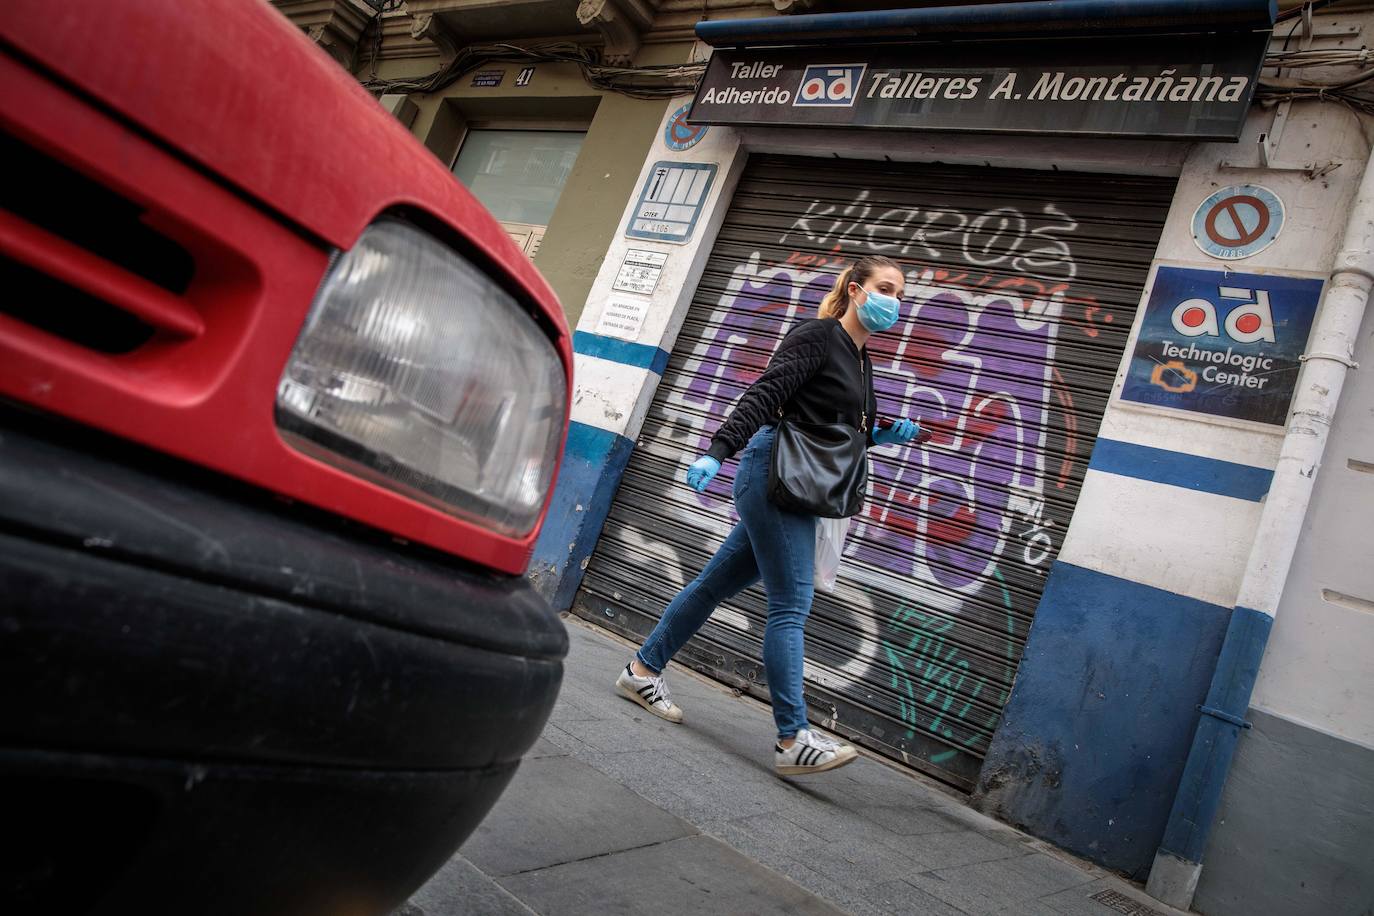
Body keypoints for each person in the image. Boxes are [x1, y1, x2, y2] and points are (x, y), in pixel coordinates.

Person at [614, 254, 923, 776]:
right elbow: (767, 393)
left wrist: (880, 434)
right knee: (791, 603)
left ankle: (641, 670)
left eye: (900, 293)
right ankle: (791, 738)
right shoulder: (818, 337)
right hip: (775, 475)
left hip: (801, 484)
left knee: (714, 585)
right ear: (854, 289)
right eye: (886, 288)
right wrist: (718, 449)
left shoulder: (860, 357)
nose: (894, 302)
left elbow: (831, 427)